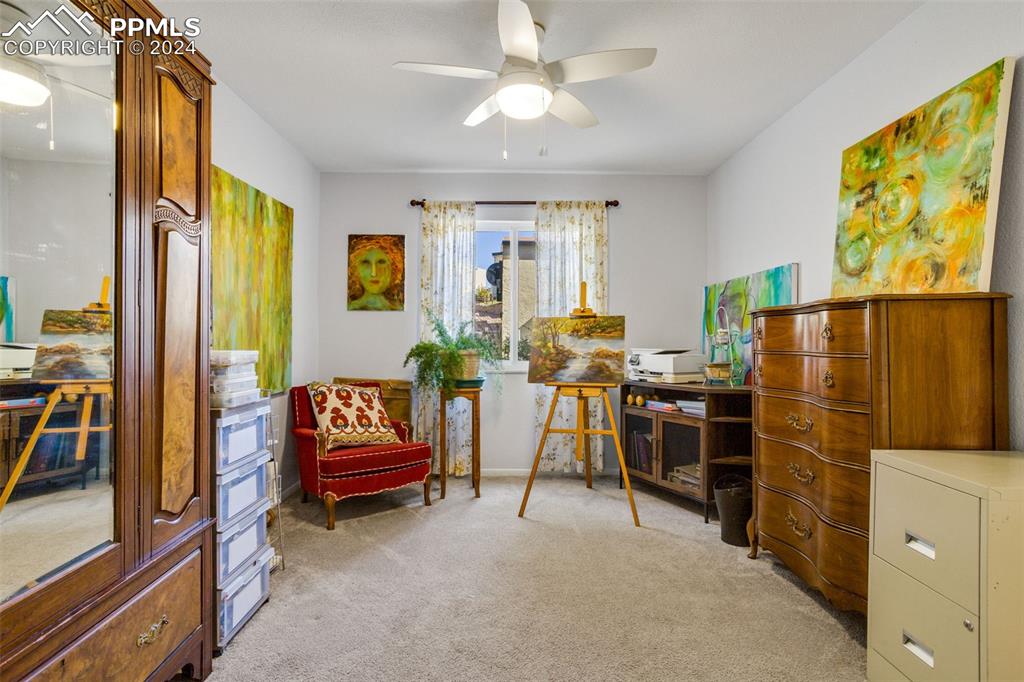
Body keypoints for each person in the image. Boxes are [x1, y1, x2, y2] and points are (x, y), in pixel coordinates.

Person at [348, 236, 403, 311]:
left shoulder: (400, 309)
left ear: (394, 268)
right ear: (356, 269)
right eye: (366, 263)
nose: (374, 273)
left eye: (381, 262)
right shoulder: (351, 308)